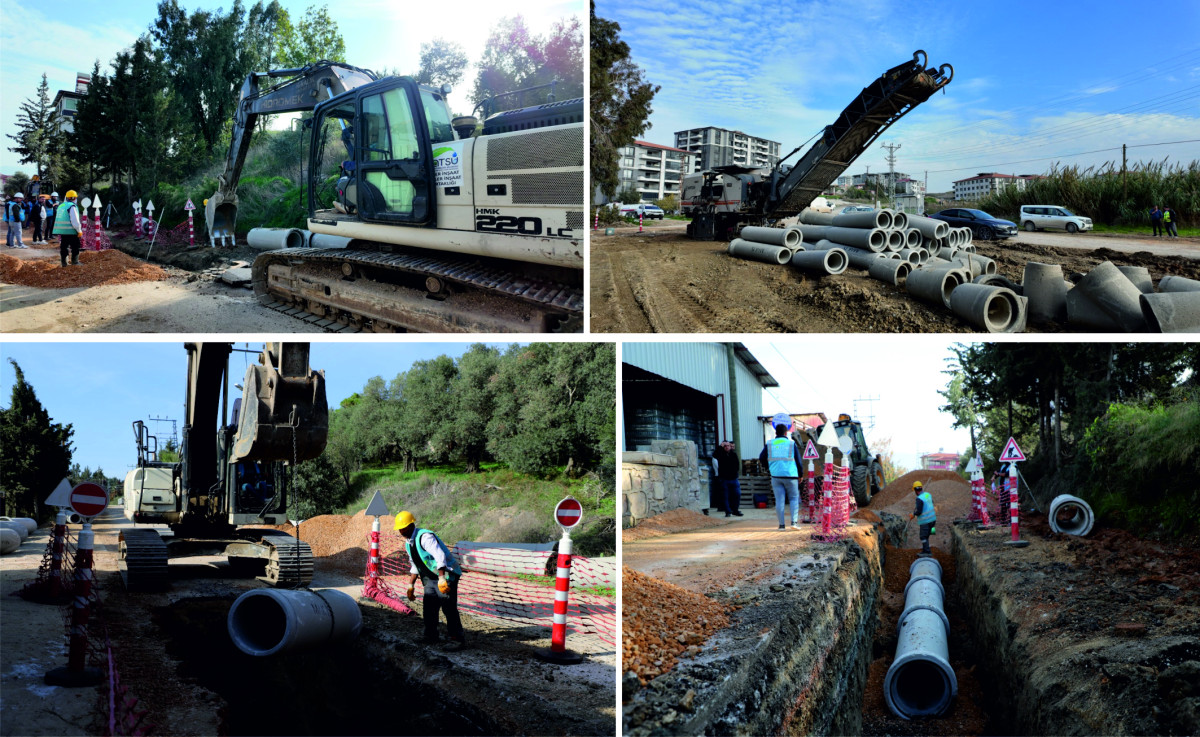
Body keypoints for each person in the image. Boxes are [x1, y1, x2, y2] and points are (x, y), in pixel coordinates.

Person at [396, 510, 466, 650]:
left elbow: (440, 556)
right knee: (429, 607)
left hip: (446, 575)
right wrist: (411, 585)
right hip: (430, 577)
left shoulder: (425, 537)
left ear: (411, 525)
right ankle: (431, 635)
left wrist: (441, 579)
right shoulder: (408, 542)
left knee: (448, 607)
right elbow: (415, 564)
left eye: (403, 528)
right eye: (399, 529)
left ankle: (457, 639)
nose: (401, 531)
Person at [760, 422, 804, 530]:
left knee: (779, 500)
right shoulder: (791, 444)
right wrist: (801, 474)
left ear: (776, 433)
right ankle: (793, 523)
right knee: (793, 499)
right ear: (786, 432)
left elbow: (761, 457)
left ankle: (781, 525)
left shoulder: (769, 444)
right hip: (791, 476)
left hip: (776, 476)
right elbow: (798, 461)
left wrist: (768, 468)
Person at [51, 190, 84, 266]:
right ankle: (75, 262)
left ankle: (64, 263)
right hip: (71, 231)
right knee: (75, 246)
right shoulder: (72, 206)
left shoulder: (61, 205)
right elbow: (74, 220)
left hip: (62, 231)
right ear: (74, 198)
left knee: (64, 247)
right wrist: (79, 230)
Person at [712, 440, 744, 518]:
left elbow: (737, 465)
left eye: (728, 446)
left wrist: (734, 473)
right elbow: (714, 455)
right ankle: (728, 511)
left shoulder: (734, 454)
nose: (727, 447)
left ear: (730, 446)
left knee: (737, 494)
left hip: (733, 478)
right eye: (725, 446)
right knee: (725, 496)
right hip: (724, 479)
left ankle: (735, 510)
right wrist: (720, 446)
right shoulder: (720, 454)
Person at [908, 481, 936, 555]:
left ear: (915, 490)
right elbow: (931, 503)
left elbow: (919, 512)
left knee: (923, 536)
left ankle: (927, 552)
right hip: (933, 520)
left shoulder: (919, 499)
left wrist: (913, 514)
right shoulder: (928, 494)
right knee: (926, 536)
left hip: (926, 521)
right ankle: (925, 549)